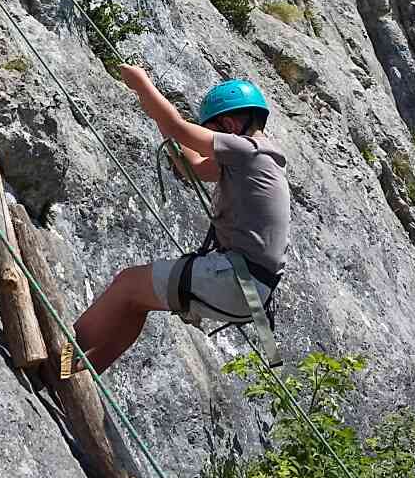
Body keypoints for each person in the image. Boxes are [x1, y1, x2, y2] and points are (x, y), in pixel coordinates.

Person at [73, 70, 289, 375]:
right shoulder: (260, 160)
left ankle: (61, 353)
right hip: (249, 288)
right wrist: (165, 125)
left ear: (229, 126)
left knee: (127, 284)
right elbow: (194, 167)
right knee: (136, 301)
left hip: (236, 280)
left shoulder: (248, 151)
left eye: (212, 132)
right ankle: (77, 375)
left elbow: (178, 127)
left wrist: (141, 83)